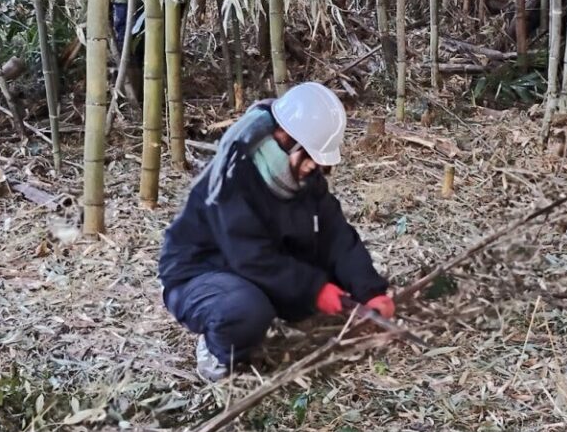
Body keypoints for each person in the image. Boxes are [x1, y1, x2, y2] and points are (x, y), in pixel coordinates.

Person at [159, 82, 394, 382]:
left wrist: (370, 291)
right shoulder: (234, 177)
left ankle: (275, 306)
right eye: (309, 156)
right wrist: (314, 289)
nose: (314, 167)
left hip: (256, 266)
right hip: (200, 274)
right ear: (284, 138)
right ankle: (217, 350)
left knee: (334, 279)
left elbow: (335, 234)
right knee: (245, 309)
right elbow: (251, 256)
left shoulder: (303, 177)